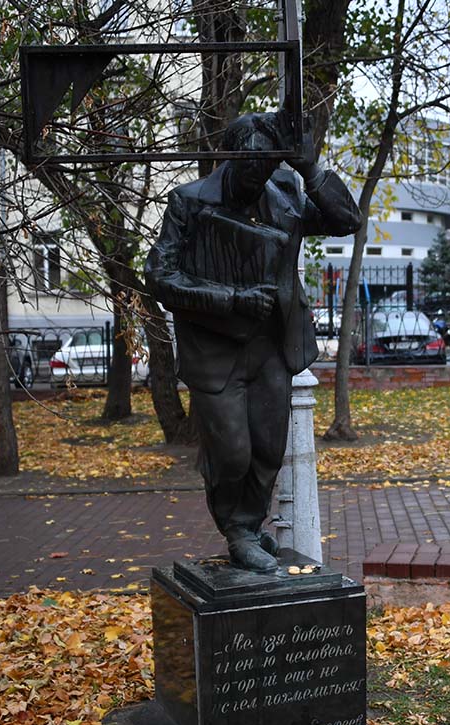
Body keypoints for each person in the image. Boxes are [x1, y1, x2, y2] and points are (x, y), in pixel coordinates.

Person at [147, 112, 361, 572]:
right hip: (216, 352)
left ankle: (249, 525)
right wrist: (232, 300)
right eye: (253, 166)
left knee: (267, 447)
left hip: (271, 347)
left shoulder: (284, 196)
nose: (260, 176)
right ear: (233, 155)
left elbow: (347, 220)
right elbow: (160, 278)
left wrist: (311, 169)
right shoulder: (188, 202)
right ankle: (238, 529)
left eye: (269, 166)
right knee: (231, 451)